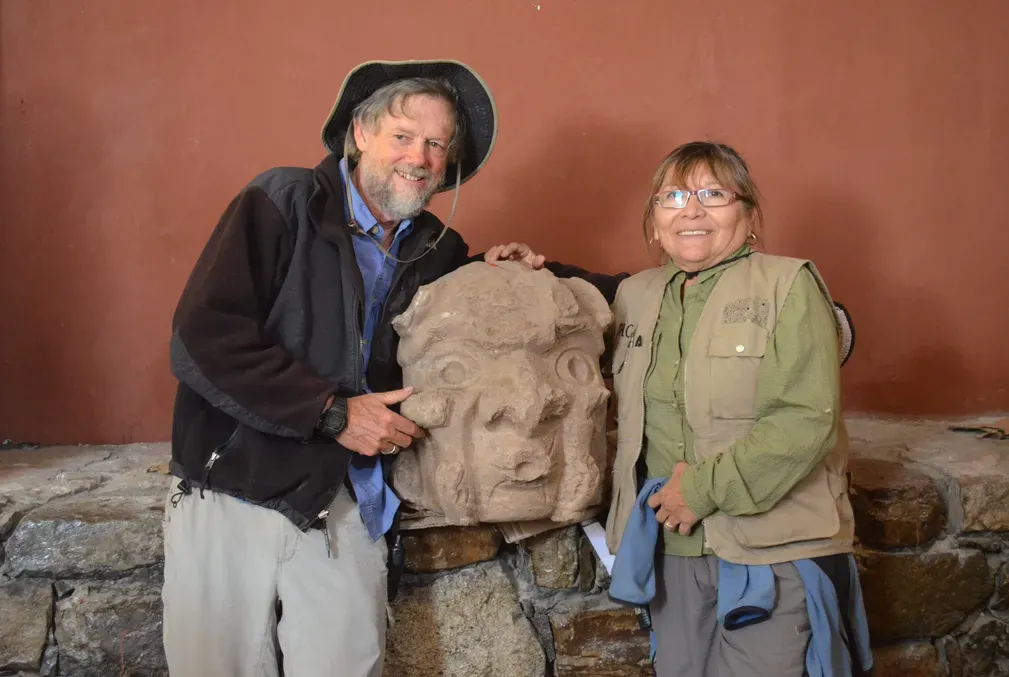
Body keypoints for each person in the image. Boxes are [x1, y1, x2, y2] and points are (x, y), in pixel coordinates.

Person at [161, 59, 615, 677]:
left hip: (342, 499)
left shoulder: (438, 248)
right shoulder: (283, 200)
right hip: (236, 486)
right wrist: (329, 412)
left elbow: (483, 316)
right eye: (403, 136)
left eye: (436, 144)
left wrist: (511, 268)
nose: (419, 157)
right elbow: (202, 339)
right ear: (359, 134)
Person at [604, 141, 870, 677]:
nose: (691, 209)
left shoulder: (790, 284)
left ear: (749, 215)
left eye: (713, 193)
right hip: (672, 549)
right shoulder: (634, 295)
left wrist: (699, 490)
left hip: (773, 547)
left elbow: (804, 420)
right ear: (654, 223)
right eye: (673, 196)